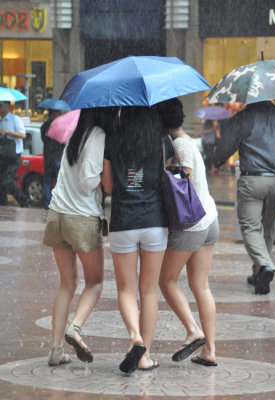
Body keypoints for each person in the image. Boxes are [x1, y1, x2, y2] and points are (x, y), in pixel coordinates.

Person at [102, 106, 174, 373]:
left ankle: (135, 337)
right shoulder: (162, 140)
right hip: (155, 221)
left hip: (124, 221)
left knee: (125, 290)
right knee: (149, 291)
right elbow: (165, 177)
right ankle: (145, 356)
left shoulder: (113, 139)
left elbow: (108, 186)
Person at [43, 107, 116, 366]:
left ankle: (55, 350)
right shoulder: (98, 136)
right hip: (82, 218)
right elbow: (87, 181)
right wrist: (106, 177)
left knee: (66, 284)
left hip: (57, 215)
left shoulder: (76, 134)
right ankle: (75, 327)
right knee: (95, 283)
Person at [157, 98, 218, 367]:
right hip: (210, 219)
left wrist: (164, 170)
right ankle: (209, 350)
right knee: (200, 286)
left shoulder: (180, 145)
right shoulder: (189, 140)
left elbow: (184, 181)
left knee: (166, 280)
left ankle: (193, 330)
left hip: (192, 224)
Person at [213, 101, 275, 295]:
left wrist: (217, 161)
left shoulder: (245, 116)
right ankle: (258, 274)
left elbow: (227, 144)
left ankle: (264, 265)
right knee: (268, 228)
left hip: (252, 179)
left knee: (250, 226)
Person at [0, 101, 30, 207]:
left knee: (7, 180)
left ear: (7, 106)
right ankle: (3, 204)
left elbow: (23, 135)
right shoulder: (1, 120)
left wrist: (8, 132)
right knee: (1, 181)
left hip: (14, 155)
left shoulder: (15, 119)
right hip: (3, 155)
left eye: (1, 105)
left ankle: (24, 200)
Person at [40, 109, 65, 209]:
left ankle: (47, 204)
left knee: (47, 181)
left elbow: (44, 140)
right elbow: (63, 140)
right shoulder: (59, 126)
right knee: (60, 182)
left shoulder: (43, 126)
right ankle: (59, 203)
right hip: (57, 156)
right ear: (54, 113)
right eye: (58, 113)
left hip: (47, 157)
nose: (60, 115)